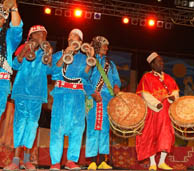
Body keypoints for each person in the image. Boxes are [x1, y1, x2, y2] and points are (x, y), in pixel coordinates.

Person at [3, 25, 52, 171]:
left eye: (44, 34)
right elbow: (15, 65)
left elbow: (49, 70)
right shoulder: (23, 47)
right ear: (31, 36)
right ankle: (16, 161)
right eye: (39, 34)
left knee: (32, 126)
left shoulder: (45, 50)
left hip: (37, 94)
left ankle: (26, 160)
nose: (42, 37)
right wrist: (25, 49)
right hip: (21, 92)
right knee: (20, 125)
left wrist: (48, 53)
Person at [49, 29, 91, 171]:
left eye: (75, 39)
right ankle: (55, 162)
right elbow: (53, 72)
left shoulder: (84, 58)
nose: (72, 41)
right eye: (69, 39)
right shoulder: (59, 54)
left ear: (80, 42)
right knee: (57, 128)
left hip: (78, 96)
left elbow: (85, 77)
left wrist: (90, 61)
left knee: (78, 129)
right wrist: (65, 55)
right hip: (61, 94)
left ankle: (71, 161)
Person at [136, 52, 179, 170]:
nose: (162, 63)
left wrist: (172, 98)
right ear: (152, 65)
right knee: (151, 136)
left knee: (166, 136)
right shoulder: (147, 77)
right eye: (159, 61)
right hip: (153, 112)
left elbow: (175, 92)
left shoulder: (169, 78)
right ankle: (153, 164)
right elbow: (145, 94)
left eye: (162, 61)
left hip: (166, 113)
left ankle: (161, 161)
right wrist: (156, 104)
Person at [85, 36, 121, 170]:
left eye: (107, 46)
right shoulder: (90, 61)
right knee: (93, 128)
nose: (106, 48)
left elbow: (116, 79)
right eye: (104, 45)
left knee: (105, 130)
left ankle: (102, 161)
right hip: (94, 98)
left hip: (108, 100)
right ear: (97, 46)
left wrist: (117, 86)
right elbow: (84, 78)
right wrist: (92, 93)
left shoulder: (110, 64)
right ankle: (92, 161)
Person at [0, 0, 22, 118]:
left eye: (0, 17)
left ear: (4, 21)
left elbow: (17, 27)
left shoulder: (9, 37)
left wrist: (14, 7)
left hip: (1, 83)